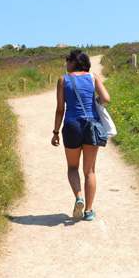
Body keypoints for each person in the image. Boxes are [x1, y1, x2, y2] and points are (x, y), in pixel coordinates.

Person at [51, 49, 111, 221]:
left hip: (71, 126)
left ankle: (79, 197)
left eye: (68, 60)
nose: (66, 63)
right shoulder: (93, 77)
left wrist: (55, 132)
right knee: (90, 171)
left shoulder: (63, 80)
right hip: (91, 125)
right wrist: (95, 102)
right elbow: (106, 98)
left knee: (72, 167)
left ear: (74, 63)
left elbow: (60, 110)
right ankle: (89, 211)